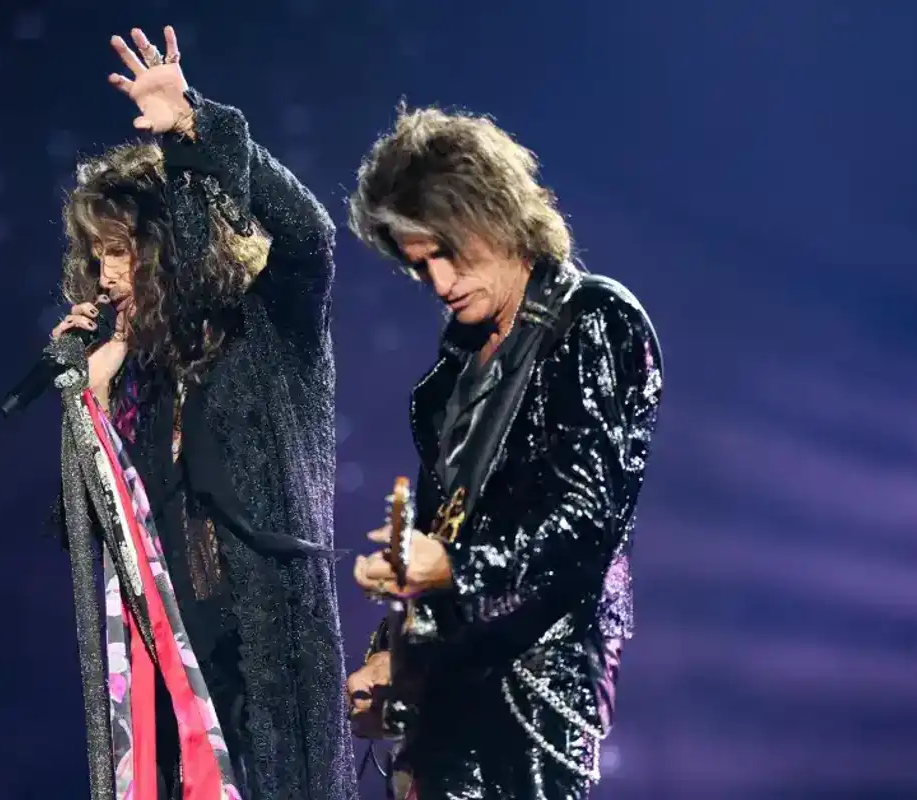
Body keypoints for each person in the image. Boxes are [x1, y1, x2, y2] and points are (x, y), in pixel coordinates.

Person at [49, 24, 355, 800]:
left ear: (173, 245)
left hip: (270, 650)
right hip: (176, 667)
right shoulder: (137, 373)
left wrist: (196, 126)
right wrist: (92, 400)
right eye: (97, 257)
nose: (108, 275)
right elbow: (78, 533)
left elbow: (310, 236)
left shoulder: (267, 326)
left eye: (124, 251)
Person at [343, 106, 663, 799]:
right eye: (418, 263)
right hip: (447, 701)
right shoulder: (452, 376)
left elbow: (584, 520)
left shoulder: (593, 323)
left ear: (496, 215)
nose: (437, 282)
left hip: (533, 701)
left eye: (448, 253)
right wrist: (392, 656)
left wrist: (453, 566)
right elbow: (446, 528)